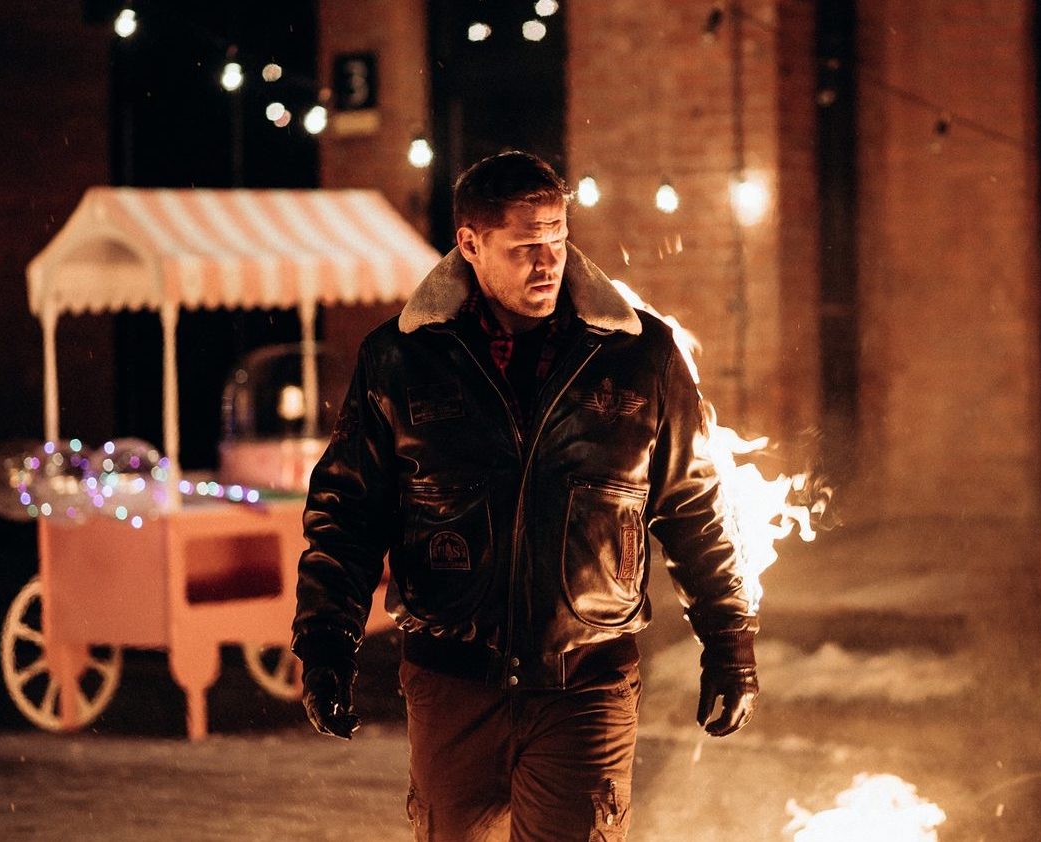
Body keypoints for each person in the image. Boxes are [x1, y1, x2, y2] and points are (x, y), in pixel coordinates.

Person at [291, 151, 758, 841]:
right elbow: (349, 513)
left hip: (587, 684)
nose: (548, 263)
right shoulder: (401, 359)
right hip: (453, 684)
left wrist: (729, 642)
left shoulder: (639, 355)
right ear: (470, 244)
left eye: (558, 239)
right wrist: (327, 642)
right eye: (525, 247)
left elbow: (692, 507)